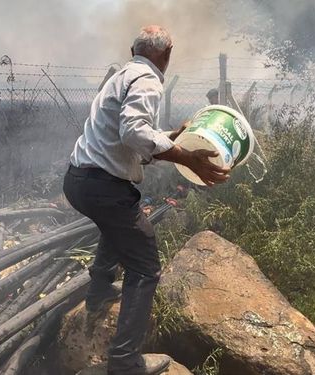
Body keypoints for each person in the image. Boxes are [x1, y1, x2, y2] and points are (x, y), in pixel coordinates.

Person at [63, 25, 230, 375]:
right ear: (166, 54)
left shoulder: (123, 74)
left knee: (118, 223)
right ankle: (124, 363)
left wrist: (172, 137)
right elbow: (134, 131)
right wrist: (187, 158)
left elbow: (130, 135)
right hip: (103, 185)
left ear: (132, 48)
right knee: (145, 267)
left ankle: (98, 293)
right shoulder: (148, 79)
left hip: (79, 179)